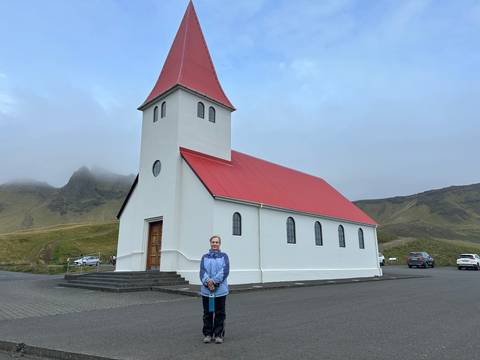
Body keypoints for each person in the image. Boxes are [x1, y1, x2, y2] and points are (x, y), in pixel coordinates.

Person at [199, 235, 230, 344]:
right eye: (213, 242)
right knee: (207, 313)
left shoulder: (224, 256)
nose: (215, 244)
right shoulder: (204, 257)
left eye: (217, 242)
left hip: (220, 290)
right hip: (207, 291)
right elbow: (202, 271)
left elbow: (225, 271)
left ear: (219, 244)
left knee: (220, 313)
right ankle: (208, 334)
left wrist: (214, 282)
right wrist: (208, 282)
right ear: (210, 243)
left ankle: (218, 335)